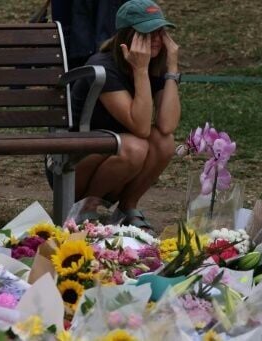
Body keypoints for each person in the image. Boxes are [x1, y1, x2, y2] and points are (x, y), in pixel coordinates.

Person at [70, 0, 181, 230]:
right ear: (127, 36)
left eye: (160, 32)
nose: (157, 39)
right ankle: (86, 208)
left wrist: (171, 70)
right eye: (148, 33)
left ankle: (127, 207)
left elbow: (167, 125)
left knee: (164, 142)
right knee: (136, 145)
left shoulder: (155, 64)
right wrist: (140, 71)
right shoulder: (103, 67)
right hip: (74, 164)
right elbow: (140, 127)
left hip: (121, 160)